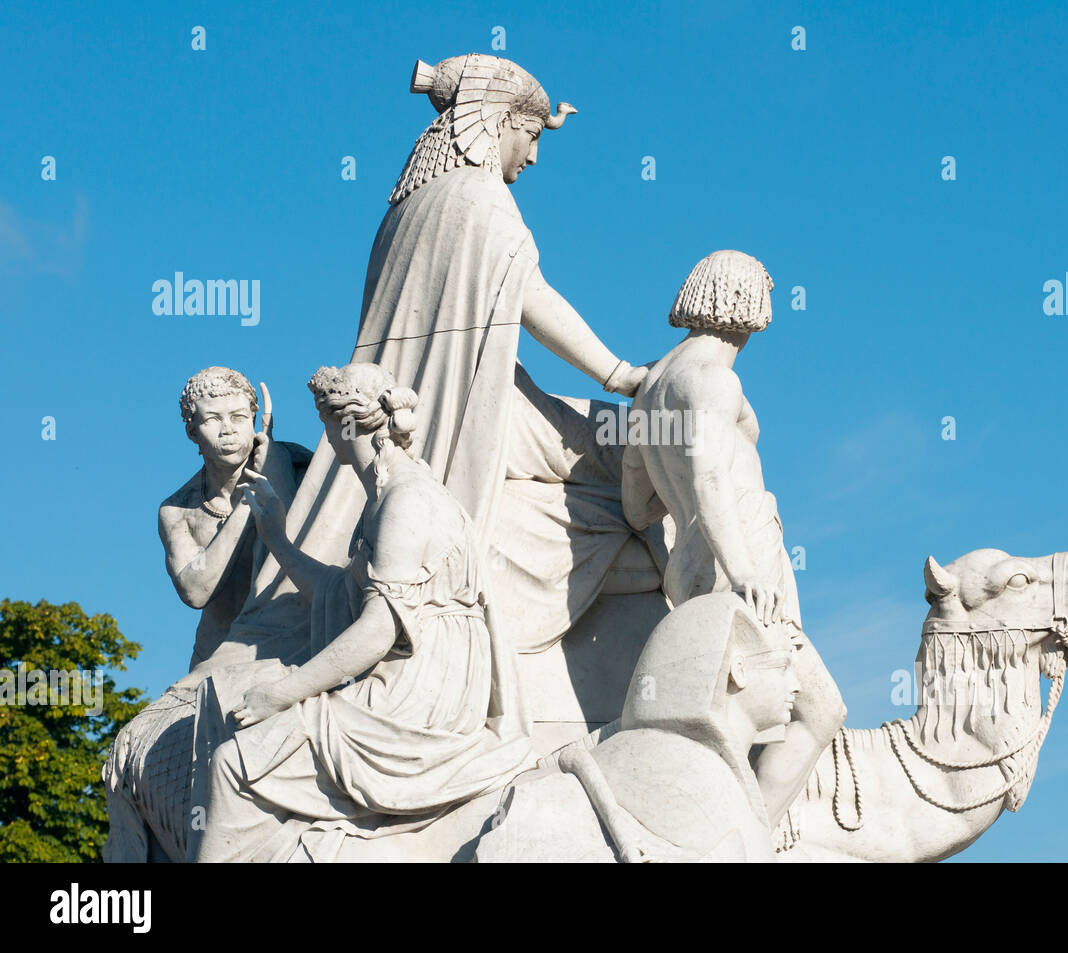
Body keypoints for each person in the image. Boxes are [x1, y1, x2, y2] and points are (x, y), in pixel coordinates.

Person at [217, 53, 655, 669]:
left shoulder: (406, 207)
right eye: (530, 136)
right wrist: (623, 375)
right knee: (639, 445)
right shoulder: (480, 198)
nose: (532, 158)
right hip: (473, 410)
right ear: (498, 121)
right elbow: (530, 296)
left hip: (449, 399)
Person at [187, 363, 531, 863]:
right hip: (413, 672)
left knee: (235, 765)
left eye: (324, 425)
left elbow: (375, 630)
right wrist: (278, 539)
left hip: (419, 691)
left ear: (342, 427)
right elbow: (340, 594)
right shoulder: (388, 495)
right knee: (230, 704)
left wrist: (282, 695)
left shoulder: (405, 500)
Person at [620, 250, 847, 825]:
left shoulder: (653, 388)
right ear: (744, 301)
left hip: (695, 566)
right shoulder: (714, 380)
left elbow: (635, 505)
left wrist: (688, 516)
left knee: (729, 720)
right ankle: (744, 840)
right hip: (741, 560)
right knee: (819, 712)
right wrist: (743, 568)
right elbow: (711, 475)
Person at [476, 592, 800, 862]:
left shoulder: (709, 772)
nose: (796, 685)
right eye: (783, 666)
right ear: (738, 670)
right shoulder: (683, 771)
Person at [158, 367, 308, 670]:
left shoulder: (294, 466)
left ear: (254, 420)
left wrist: (276, 472)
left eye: (238, 417)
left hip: (292, 646)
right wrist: (248, 500)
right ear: (192, 431)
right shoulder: (179, 510)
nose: (228, 429)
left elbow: (315, 542)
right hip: (217, 656)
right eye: (213, 419)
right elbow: (195, 591)